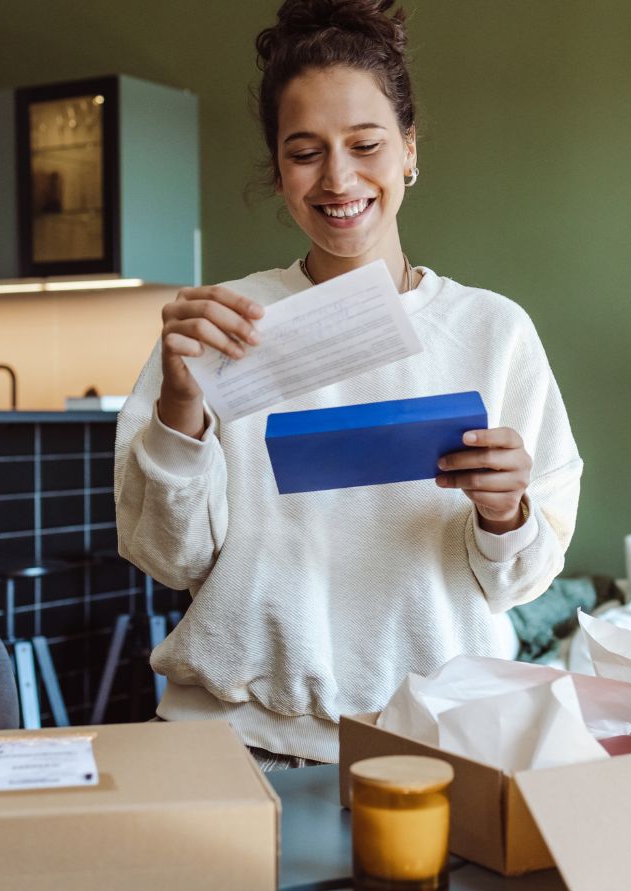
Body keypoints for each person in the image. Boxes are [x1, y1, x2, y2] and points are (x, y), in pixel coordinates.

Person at [115, 0, 582, 770]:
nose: (338, 178)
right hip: (237, 743)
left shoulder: (492, 332)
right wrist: (178, 408)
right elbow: (171, 559)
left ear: (408, 151)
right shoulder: (218, 325)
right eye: (305, 152)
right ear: (277, 166)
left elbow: (521, 584)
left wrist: (507, 513)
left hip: (434, 747)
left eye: (365, 144)